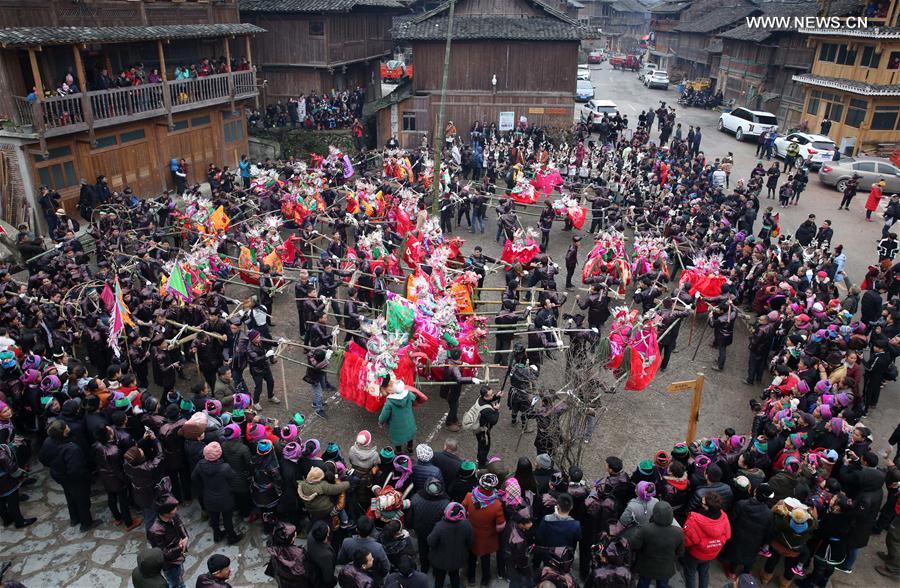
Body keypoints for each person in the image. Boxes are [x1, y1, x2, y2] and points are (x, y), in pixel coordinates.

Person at [39, 420, 96, 532]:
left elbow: (42, 459)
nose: (69, 427)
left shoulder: (48, 441)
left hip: (60, 476)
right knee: (82, 500)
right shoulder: (71, 448)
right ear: (64, 432)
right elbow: (76, 470)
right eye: (66, 427)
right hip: (74, 479)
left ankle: (74, 518)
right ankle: (86, 523)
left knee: (70, 496)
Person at [192, 441, 243, 544]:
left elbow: (193, 477)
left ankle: (217, 535)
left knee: (214, 518)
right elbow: (233, 478)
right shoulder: (225, 468)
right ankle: (231, 537)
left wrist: (203, 486)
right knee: (227, 519)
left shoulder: (200, 464)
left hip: (209, 497)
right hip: (225, 498)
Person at [463, 473, 506, 586]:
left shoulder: (469, 496)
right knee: (485, 558)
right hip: (487, 537)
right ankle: (485, 579)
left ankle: (471, 577)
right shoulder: (497, 505)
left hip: (471, 533)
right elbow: (500, 525)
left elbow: (463, 510)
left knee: (471, 556)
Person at [681, 492, 731, 588]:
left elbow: (686, 540)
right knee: (704, 572)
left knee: (690, 574)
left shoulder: (695, 519)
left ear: (707, 507)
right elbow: (727, 535)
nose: (701, 502)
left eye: (703, 502)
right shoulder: (724, 517)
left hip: (694, 554)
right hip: (712, 553)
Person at [630, 501, 684, 588]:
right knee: (662, 585)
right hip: (665, 567)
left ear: (654, 513)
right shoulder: (679, 532)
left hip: (646, 566)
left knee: (643, 583)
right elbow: (680, 552)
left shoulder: (645, 529)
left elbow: (634, 545)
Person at [428, 502, 473, 588]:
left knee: (439, 579)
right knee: (455, 576)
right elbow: (470, 542)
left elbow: (430, 541)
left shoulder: (440, 526)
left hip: (440, 559)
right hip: (457, 558)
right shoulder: (467, 524)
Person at [147, 498, 189, 588]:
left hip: (178, 557)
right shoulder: (155, 531)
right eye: (173, 509)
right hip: (170, 564)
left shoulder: (173, 516)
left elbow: (180, 524)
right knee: (174, 583)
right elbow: (163, 553)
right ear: (166, 513)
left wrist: (185, 537)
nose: (176, 510)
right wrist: (181, 546)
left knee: (179, 578)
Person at [378, 380, 418, 454]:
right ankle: (410, 448)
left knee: (397, 439)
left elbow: (384, 415)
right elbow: (414, 398)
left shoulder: (390, 402)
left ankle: (398, 451)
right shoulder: (408, 394)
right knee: (410, 435)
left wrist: (381, 421)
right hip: (409, 421)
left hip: (396, 425)